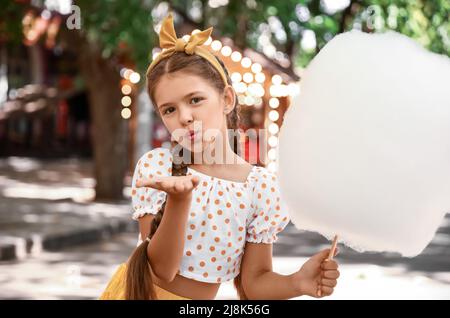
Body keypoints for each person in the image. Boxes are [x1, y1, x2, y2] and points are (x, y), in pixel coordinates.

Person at [99, 12, 339, 300]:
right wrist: (179, 200)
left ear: (226, 99)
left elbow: (254, 283)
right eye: (169, 109)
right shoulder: (159, 168)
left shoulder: (259, 188)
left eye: (195, 100)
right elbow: (161, 269)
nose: (185, 117)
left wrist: (297, 283)